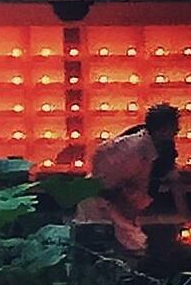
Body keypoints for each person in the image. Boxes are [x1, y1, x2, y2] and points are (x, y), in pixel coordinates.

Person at [75, 103, 185, 258]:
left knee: (134, 248)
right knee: (119, 253)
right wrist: (125, 200)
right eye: (175, 127)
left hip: (121, 208)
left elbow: (174, 179)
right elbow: (101, 172)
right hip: (101, 208)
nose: (178, 131)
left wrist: (185, 216)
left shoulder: (162, 148)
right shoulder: (130, 149)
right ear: (163, 130)